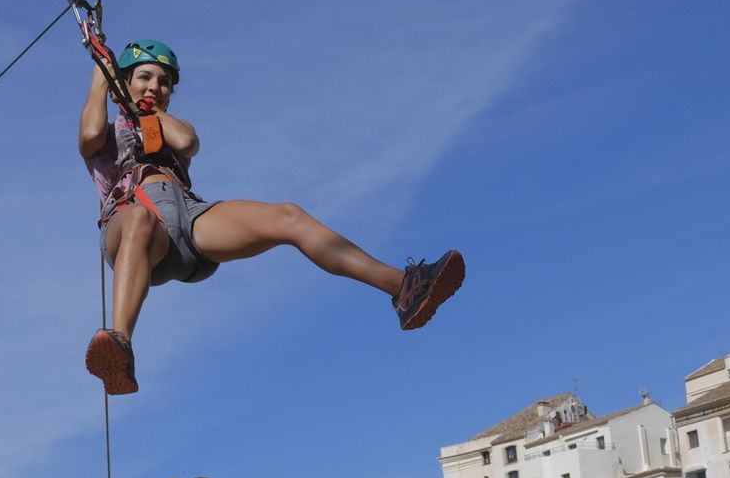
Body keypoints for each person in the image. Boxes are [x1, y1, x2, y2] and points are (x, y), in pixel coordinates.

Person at [79, 39, 465, 394]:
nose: (155, 86)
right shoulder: (109, 132)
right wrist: (101, 78)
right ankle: (120, 345)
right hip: (135, 225)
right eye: (144, 77)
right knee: (140, 221)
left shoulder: (167, 125)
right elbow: (90, 134)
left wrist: (147, 110)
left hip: (188, 215)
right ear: (123, 82)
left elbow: (187, 142)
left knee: (289, 216)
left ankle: (403, 288)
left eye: (164, 82)